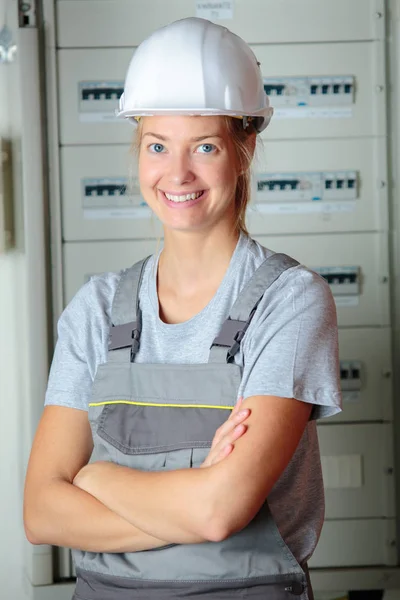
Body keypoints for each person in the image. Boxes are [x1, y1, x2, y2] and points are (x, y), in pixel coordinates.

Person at [23, 17, 342, 600]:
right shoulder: (96, 309)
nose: (177, 173)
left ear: (244, 149)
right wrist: (189, 498)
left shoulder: (290, 301)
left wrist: (95, 478)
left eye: (205, 146)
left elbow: (220, 511)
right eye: (157, 146)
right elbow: (42, 513)